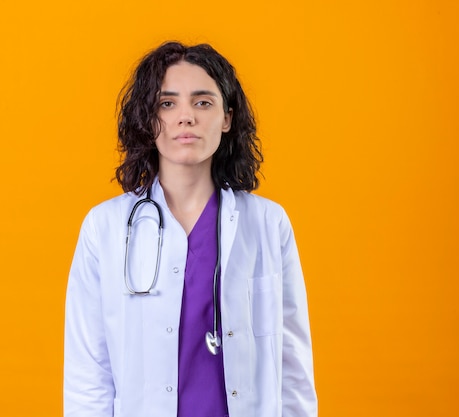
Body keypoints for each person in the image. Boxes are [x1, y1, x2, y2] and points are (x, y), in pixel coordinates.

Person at [64, 41, 317, 417]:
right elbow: (89, 371)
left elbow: (293, 364)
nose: (186, 117)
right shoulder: (105, 228)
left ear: (227, 118)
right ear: (148, 120)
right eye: (168, 104)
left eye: (203, 102)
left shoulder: (267, 223)